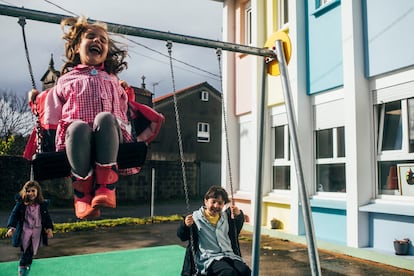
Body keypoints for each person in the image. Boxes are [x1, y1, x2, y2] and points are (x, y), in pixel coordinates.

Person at [24, 16, 164, 220]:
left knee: (106, 118)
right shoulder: (65, 81)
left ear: (106, 52)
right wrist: (36, 101)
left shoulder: (113, 80)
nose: (98, 41)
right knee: (77, 127)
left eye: (103, 40)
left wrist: (126, 92)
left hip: (109, 139)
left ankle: (106, 186)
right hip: (75, 142)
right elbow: (50, 110)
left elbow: (125, 109)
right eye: (91, 37)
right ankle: (82, 194)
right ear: (77, 47)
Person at [177, 185, 251, 276]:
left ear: (224, 204)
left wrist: (238, 215)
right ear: (206, 201)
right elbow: (182, 236)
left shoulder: (226, 217)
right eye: (213, 202)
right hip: (209, 258)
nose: (216, 206)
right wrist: (185, 225)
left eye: (220, 203)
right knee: (227, 273)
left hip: (228, 255)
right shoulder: (195, 218)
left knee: (245, 271)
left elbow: (236, 230)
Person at [5, 180, 54, 276]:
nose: (30, 193)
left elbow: (46, 217)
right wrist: (12, 228)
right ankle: (22, 270)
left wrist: (49, 229)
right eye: (28, 191)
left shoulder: (42, 205)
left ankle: (26, 267)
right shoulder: (22, 204)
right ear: (25, 192)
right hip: (25, 232)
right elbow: (14, 215)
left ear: (37, 192)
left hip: (36, 232)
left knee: (31, 252)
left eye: (33, 191)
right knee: (25, 251)